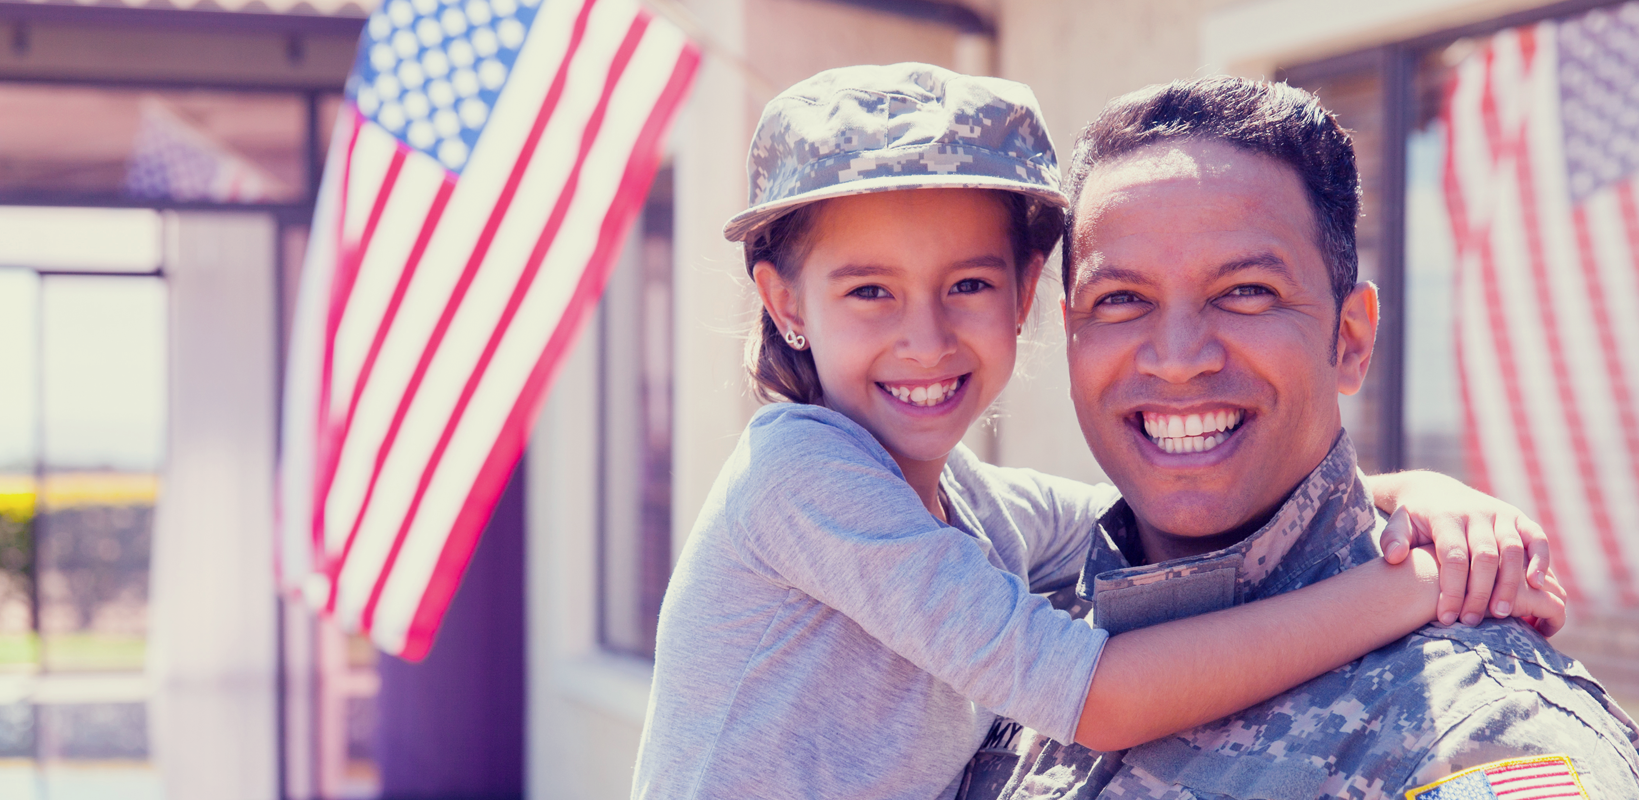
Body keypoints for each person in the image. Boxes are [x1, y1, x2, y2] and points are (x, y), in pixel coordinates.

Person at [630, 63, 1564, 800]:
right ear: (784, 301)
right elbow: (1098, 697)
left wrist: (1422, 496)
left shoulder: (972, 512)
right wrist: (1416, 588)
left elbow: (1132, 512)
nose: (925, 337)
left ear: (1025, 295)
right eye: (869, 290)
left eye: (969, 285)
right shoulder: (796, 473)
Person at [956, 76, 1639, 800]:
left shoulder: (1474, 731)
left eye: (1245, 292)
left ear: (1351, 339)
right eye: (1121, 300)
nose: (1177, 357)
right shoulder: (1010, 656)